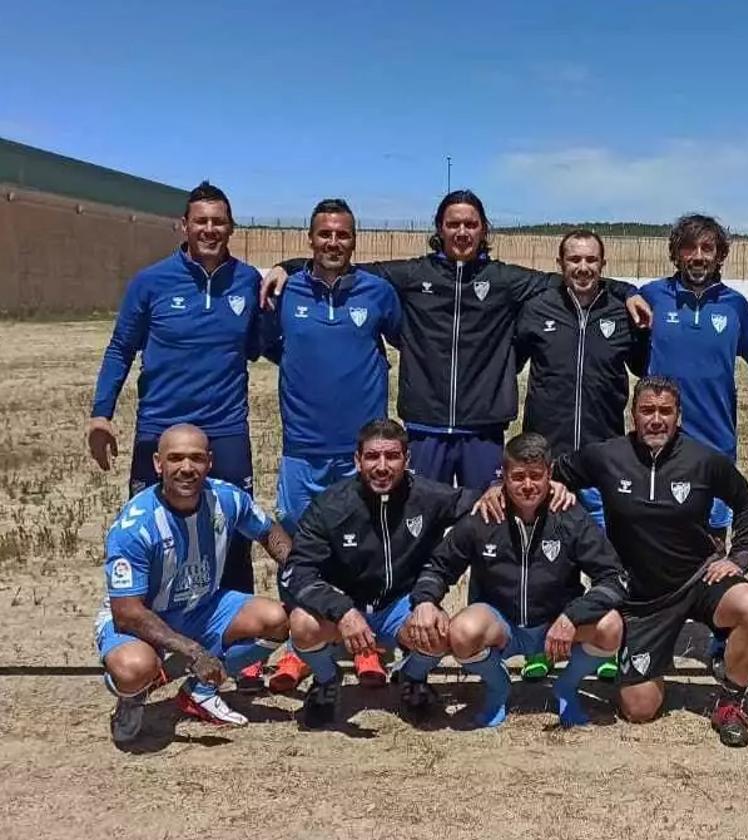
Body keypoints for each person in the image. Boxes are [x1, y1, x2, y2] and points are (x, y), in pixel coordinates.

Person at [259, 191, 649, 490]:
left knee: (490, 531)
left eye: (471, 224)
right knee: (420, 531)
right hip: (425, 429)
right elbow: (342, 264)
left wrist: (625, 290)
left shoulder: (506, 281)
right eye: (453, 224)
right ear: (439, 229)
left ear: (483, 230)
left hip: (484, 431)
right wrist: (287, 267)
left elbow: (570, 279)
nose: (462, 232)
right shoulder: (411, 275)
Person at [88, 182, 267, 687]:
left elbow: (268, 344)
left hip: (226, 430)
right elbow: (121, 347)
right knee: (153, 541)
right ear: (183, 226)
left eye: (220, 221)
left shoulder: (247, 283)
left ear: (231, 228)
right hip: (160, 434)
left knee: (233, 539)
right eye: (201, 221)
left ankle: (231, 657)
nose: (210, 229)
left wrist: (283, 276)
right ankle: (145, 648)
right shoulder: (151, 283)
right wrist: (102, 413)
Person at [548, 376, 748, 747]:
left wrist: (740, 555)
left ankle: (729, 703)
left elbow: (746, 502)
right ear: (632, 414)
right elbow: (549, 472)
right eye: (647, 410)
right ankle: (641, 656)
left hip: (698, 579)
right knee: (639, 710)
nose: (656, 419)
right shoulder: (607, 456)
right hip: (641, 599)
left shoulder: (703, 460)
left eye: (665, 411)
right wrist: (551, 484)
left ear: (678, 416)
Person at [259, 198, 404, 690]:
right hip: (302, 448)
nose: (333, 242)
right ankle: (305, 643)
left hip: (360, 453)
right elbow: (271, 348)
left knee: (359, 547)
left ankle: (364, 648)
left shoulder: (378, 293)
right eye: (325, 234)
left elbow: (404, 340)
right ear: (311, 239)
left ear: (354, 240)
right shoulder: (286, 292)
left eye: (342, 234)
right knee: (298, 548)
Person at [406, 433, 627, 728]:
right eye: (518, 476)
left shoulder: (570, 515)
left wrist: (572, 617)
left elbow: (613, 577)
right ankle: (498, 688)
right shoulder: (483, 515)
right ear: (504, 477)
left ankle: (566, 688)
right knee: (461, 633)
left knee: (611, 626)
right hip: (501, 624)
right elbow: (439, 566)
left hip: (555, 623)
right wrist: (425, 601)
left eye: (536, 476)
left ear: (550, 475)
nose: (527, 486)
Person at [96, 424, 292, 745]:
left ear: (209, 462)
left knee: (278, 620)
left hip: (202, 607)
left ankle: (200, 690)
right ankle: (132, 697)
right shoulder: (135, 525)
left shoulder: (227, 498)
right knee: (134, 669)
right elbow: (127, 613)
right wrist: (193, 651)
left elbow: (269, 532)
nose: (186, 468)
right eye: (176, 459)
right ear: (159, 464)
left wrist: (300, 572)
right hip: (142, 618)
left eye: (196, 458)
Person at [277, 419, 479, 729]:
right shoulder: (331, 505)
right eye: (372, 456)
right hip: (345, 607)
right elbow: (295, 570)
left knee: (439, 631)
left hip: (399, 605)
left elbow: (487, 504)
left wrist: (506, 494)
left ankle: (412, 678)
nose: (382, 466)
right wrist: (341, 610)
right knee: (302, 624)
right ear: (357, 461)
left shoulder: (428, 495)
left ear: (407, 460)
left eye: (392, 456)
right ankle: (327, 680)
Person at [514, 228, 647, 682]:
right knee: (547, 559)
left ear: (603, 265)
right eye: (574, 260)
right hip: (547, 461)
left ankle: (604, 644)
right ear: (561, 263)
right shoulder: (538, 308)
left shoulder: (622, 311)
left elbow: (646, 368)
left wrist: (629, 293)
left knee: (606, 555)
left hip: (601, 459)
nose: (583, 268)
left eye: (591, 260)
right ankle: (541, 645)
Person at [636, 214, 748, 538]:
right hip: (661, 441)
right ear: (676, 253)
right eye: (689, 247)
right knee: (659, 536)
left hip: (716, 442)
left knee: (711, 540)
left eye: (707, 248)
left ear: (720, 255)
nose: (698, 256)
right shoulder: (652, 296)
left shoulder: (735, 305)